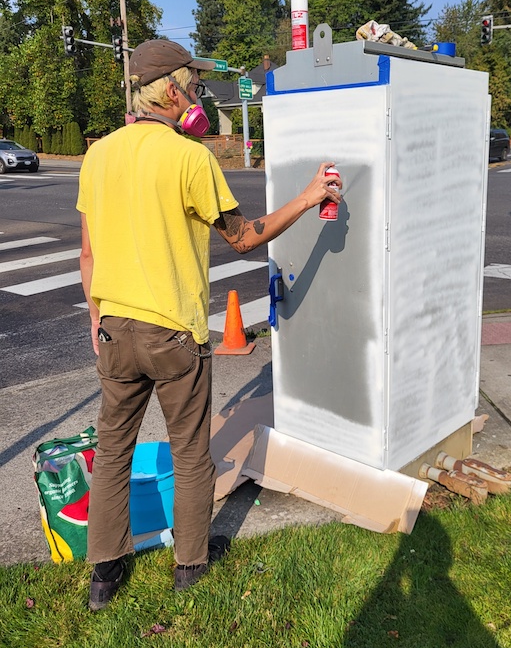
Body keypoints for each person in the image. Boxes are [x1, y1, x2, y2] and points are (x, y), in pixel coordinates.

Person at [77, 39, 342, 612]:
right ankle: (190, 565)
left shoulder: (97, 155)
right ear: (171, 90)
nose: (197, 89)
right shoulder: (190, 158)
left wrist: (98, 321)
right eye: (191, 81)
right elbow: (244, 237)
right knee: (192, 453)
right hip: (172, 333)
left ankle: (104, 576)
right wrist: (306, 197)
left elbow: (88, 254)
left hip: (114, 332)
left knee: (113, 449)